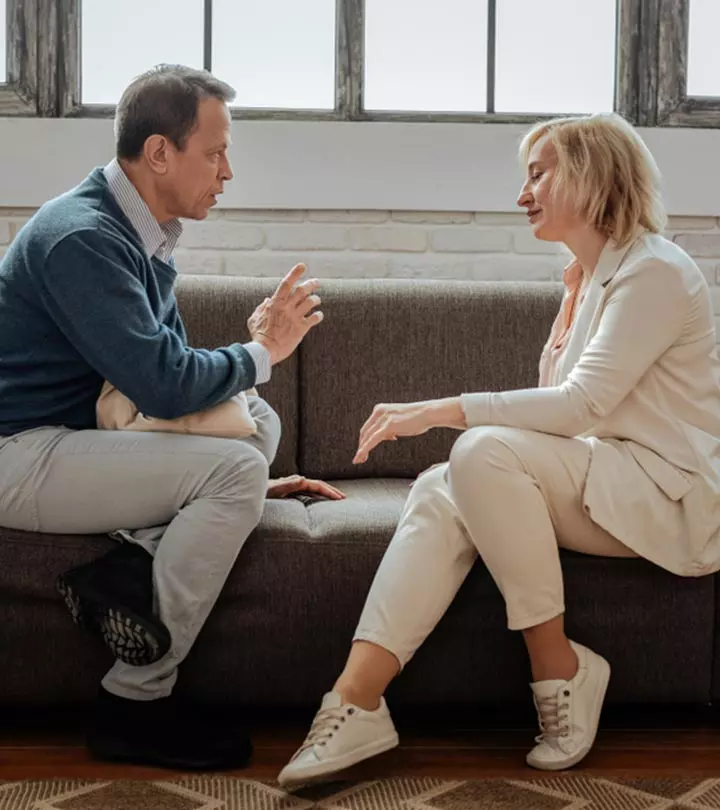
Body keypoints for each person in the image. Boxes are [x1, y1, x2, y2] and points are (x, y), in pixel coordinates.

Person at [278, 112, 720, 788]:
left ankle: (560, 669)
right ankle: (355, 701)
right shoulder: (581, 281)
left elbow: (579, 408)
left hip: (667, 495)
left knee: (478, 453)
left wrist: (437, 412)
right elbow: (560, 428)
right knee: (440, 485)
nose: (522, 194)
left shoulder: (654, 271)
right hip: (607, 479)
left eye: (538, 173)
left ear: (591, 174)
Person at [0, 64, 342, 770]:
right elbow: (163, 385)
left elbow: (168, 370)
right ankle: (135, 703)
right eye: (214, 152)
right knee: (234, 467)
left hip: (77, 438)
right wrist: (261, 349)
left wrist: (249, 369)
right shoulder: (83, 239)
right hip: (20, 453)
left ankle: (129, 568)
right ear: (160, 153)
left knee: (256, 425)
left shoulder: (137, 231)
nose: (228, 171)